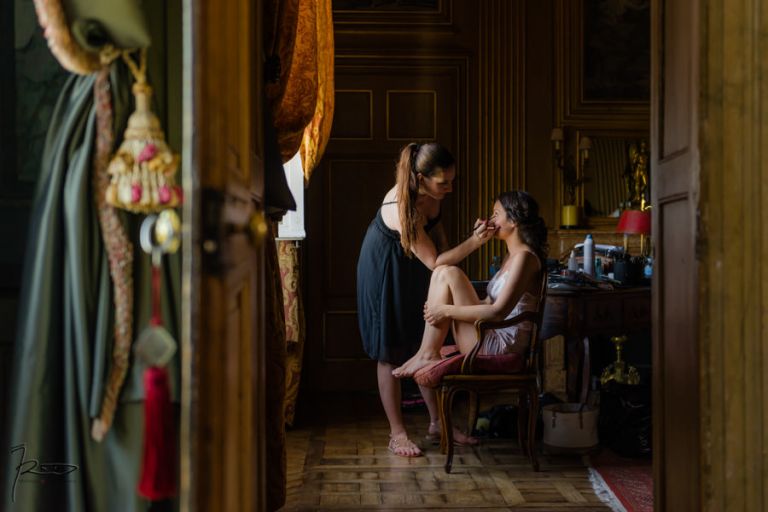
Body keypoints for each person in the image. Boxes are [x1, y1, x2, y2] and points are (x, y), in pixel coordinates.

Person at [357, 142, 495, 457]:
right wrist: (474, 242)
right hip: (385, 268)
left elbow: (439, 243)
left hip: (418, 263)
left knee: (424, 343)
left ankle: (438, 423)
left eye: (452, 180)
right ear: (421, 178)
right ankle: (398, 433)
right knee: (389, 349)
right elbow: (435, 260)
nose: (449, 187)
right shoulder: (402, 207)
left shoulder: (433, 196)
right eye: (442, 182)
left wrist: (446, 279)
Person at [392, 190, 547, 379]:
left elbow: (497, 313)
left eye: (496, 215)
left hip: (501, 346)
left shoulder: (526, 258)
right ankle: (427, 352)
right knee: (443, 270)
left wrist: (445, 310)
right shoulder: (511, 256)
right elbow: (487, 304)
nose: (490, 219)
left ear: (513, 221)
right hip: (486, 331)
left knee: (450, 272)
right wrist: (440, 304)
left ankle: (427, 353)